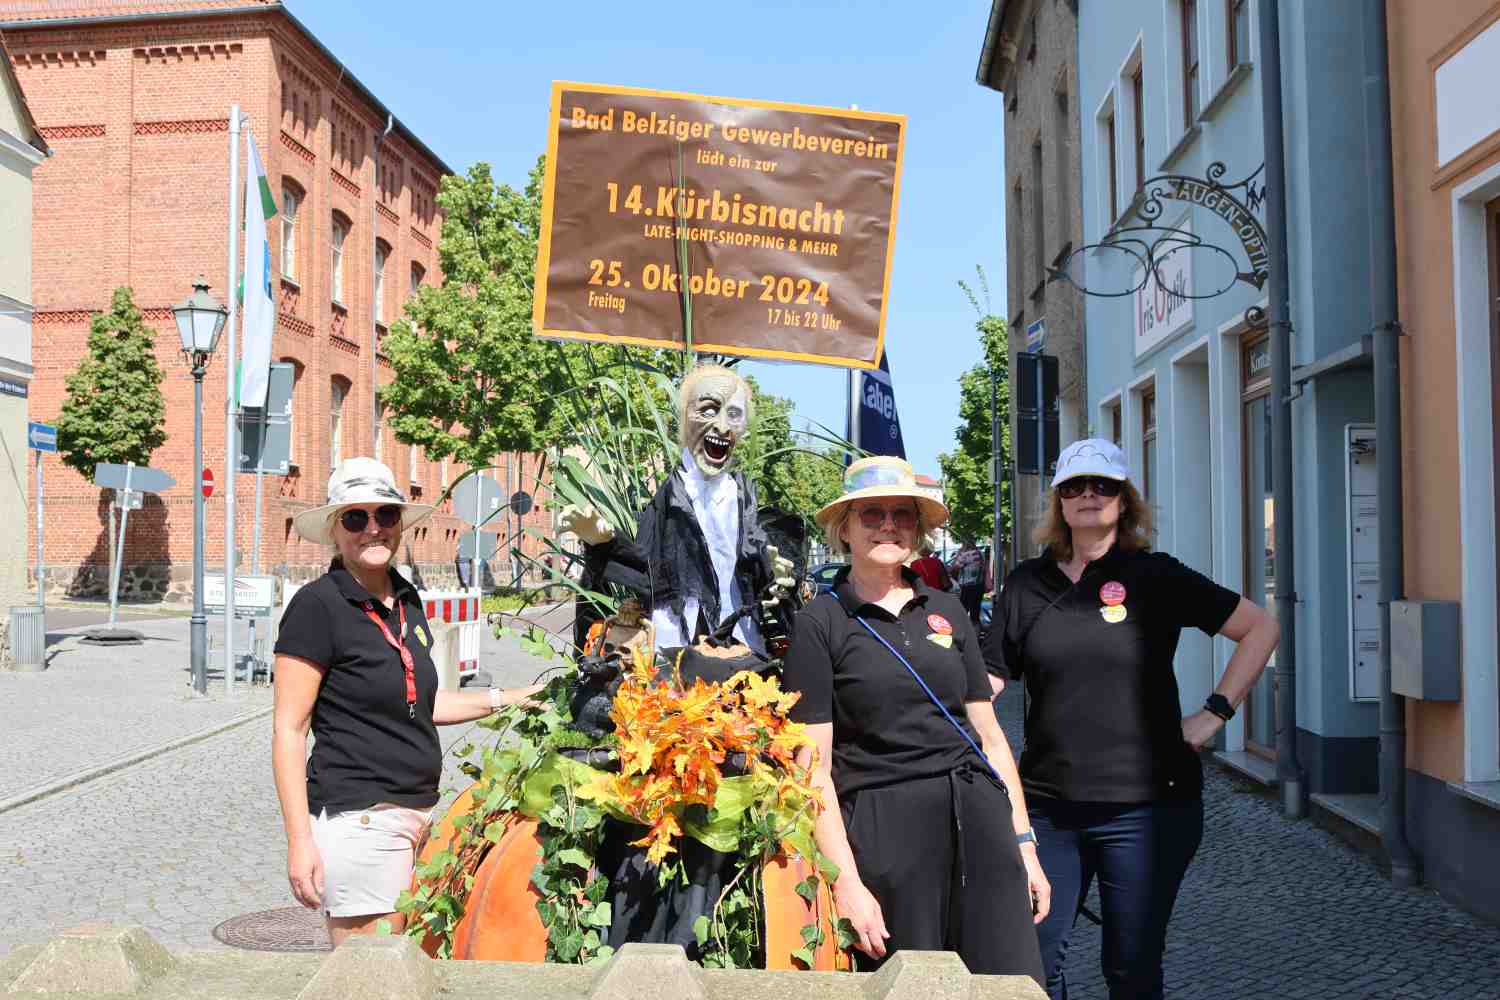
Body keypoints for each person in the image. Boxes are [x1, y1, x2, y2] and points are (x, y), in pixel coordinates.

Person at [983, 439, 1280, 1000]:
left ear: (1125, 499)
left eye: (1103, 485)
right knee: (1035, 962)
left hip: (1147, 811)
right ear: (1058, 502)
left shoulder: (1155, 576)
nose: (1088, 495)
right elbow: (989, 681)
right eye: (1074, 486)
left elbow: (1260, 628)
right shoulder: (1027, 585)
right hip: (1048, 812)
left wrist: (1214, 714)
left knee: (1131, 967)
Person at [781, 456, 1048, 983]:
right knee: (909, 986)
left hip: (978, 822)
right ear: (845, 530)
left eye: (902, 514)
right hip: (885, 836)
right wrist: (846, 884)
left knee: (1009, 983)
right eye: (871, 514)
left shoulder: (946, 609)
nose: (888, 525)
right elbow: (811, 770)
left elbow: (990, 738)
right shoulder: (821, 624)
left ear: (919, 529)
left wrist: (1023, 843)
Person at [271, 458, 541, 946]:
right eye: (356, 517)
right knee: (371, 982)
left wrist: (511, 698)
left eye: (386, 515)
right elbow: (289, 730)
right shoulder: (317, 607)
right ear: (335, 529)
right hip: (362, 820)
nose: (373, 528)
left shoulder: (407, 600)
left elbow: (422, 703)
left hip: (419, 816)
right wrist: (299, 841)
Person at [949, 539, 985, 625]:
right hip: (979, 586)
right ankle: (976, 634)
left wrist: (958, 555)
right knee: (975, 613)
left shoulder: (965, 555)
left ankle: (965, 635)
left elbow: (954, 568)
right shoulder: (980, 553)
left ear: (964, 544)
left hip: (966, 587)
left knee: (962, 613)